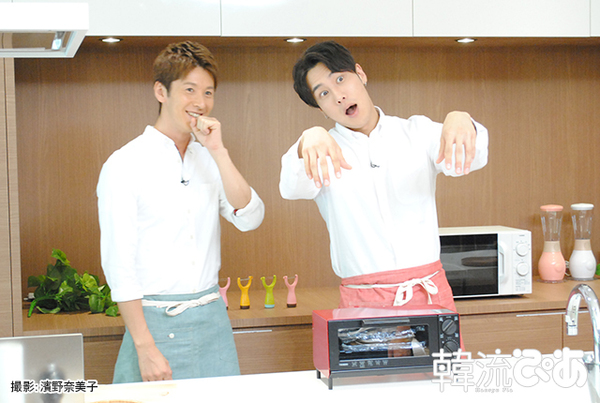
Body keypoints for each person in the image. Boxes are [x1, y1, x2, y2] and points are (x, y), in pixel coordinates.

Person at [97, 41, 265, 383]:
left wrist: (218, 151)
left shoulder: (209, 158)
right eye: (190, 90)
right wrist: (145, 347)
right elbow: (119, 265)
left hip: (212, 318)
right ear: (161, 91)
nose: (200, 102)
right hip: (153, 324)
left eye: (208, 92)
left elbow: (250, 217)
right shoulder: (125, 163)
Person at [279, 41, 488, 312]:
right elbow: (290, 187)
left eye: (340, 79)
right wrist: (307, 139)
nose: (338, 96)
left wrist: (461, 119)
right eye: (324, 93)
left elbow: (474, 156)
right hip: (364, 300)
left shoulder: (416, 132)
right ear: (320, 109)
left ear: (360, 74)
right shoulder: (321, 150)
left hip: (429, 294)